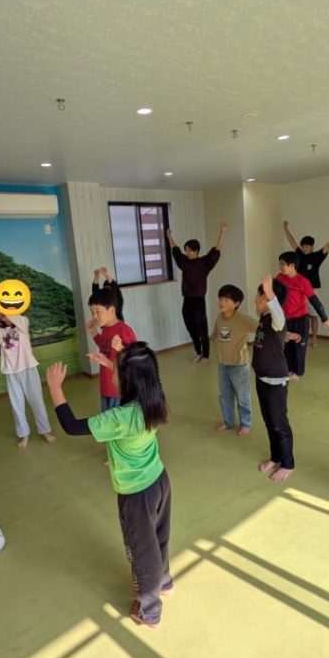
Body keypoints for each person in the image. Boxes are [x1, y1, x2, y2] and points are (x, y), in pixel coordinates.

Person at [46, 342, 173, 629]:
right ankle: (165, 582)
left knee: (142, 553)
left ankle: (150, 613)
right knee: (159, 537)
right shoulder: (155, 398)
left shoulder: (119, 418)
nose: (110, 371)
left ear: (127, 380)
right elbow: (135, 376)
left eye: (115, 368)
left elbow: (71, 426)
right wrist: (108, 363)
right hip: (159, 480)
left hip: (136, 494)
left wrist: (55, 388)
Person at [0, 311, 57, 449]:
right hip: (11, 372)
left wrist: (8, 313)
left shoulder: (22, 323)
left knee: (37, 401)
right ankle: (24, 434)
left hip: (28, 369)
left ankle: (45, 431)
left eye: (5, 311)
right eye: (0, 313)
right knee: (17, 405)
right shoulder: (2, 332)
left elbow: (18, 318)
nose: (3, 314)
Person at [283, 219, 329, 346]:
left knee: (313, 315)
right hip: (298, 290)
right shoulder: (299, 255)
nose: (305, 248)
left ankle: (314, 339)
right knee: (299, 314)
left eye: (307, 246)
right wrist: (285, 228)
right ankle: (299, 337)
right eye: (303, 246)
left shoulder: (317, 256)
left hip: (312, 290)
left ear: (312, 247)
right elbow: (292, 241)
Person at [253, 274, 296, 482]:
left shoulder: (276, 318)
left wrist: (269, 292)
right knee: (269, 421)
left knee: (279, 424)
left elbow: (279, 317)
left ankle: (288, 464)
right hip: (261, 378)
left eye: (258, 296)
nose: (255, 299)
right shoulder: (264, 319)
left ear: (267, 299)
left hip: (275, 381)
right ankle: (275, 456)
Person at [167, 222, 225, 363]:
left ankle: (206, 355)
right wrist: (169, 236)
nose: (187, 253)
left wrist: (222, 231)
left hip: (199, 300)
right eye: (186, 250)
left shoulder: (205, 262)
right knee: (191, 328)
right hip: (187, 300)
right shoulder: (184, 262)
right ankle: (198, 352)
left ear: (196, 250)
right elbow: (175, 249)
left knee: (202, 329)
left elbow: (217, 249)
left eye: (189, 250)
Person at [276, 252, 329, 379]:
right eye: (279, 263)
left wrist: (325, 318)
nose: (280, 266)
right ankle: (288, 369)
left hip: (301, 320)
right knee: (287, 345)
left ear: (292, 265)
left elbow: (314, 300)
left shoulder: (303, 281)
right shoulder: (279, 278)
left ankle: (298, 372)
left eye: (282, 264)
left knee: (299, 347)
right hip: (286, 319)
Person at [212, 284, 259, 436]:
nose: (222, 302)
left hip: (239, 365)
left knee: (242, 397)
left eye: (226, 300)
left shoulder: (242, 319)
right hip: (223, 364)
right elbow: (216, 334)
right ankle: (228, 421)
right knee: (225, 396)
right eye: (220, 299)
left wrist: (283, 335)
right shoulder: (219, 318)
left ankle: (246, 424)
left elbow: (261, 329)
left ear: (236, 303)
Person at [87, 288, 137, 411]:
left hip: (119, 390)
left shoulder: (124, 330)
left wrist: (121, 349)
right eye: (92, 312)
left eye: (98, 312)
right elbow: (104, 347)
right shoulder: (105, 329)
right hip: (105, 387)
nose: (94, 316)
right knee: (107, 418)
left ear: (112, 310)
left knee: (118, 420)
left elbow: (134, 359)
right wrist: (93, 332)